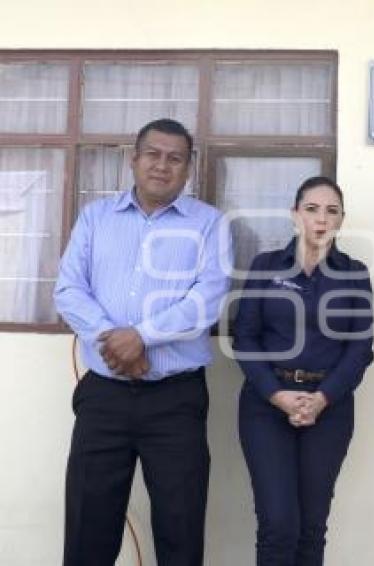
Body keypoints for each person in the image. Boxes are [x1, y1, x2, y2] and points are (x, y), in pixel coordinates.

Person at [55, 118, 233, 565]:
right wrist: (113, 342)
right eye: (152, 154)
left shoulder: (209, 225)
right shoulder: (96, 218)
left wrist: (141, 338)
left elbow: (206, 302)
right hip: (104, 398)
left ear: (188, 168)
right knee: (87, 530)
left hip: (176, 401)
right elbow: (69, 290)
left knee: (181, 529)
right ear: (133, 160)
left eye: (175, 158)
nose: (162, 165)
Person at [232, 176, 374, 566]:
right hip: (266, 405)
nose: (321, 219)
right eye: (311, 209)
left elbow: (360, 349)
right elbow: (244, 337)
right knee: (278, 524)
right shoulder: (266, 267)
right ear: (295, 215)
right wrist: (276, 395)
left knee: (312, 527)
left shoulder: (354, 274)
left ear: (342, 220)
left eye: (332, 211)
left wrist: (322, 398)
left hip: (328, 408)